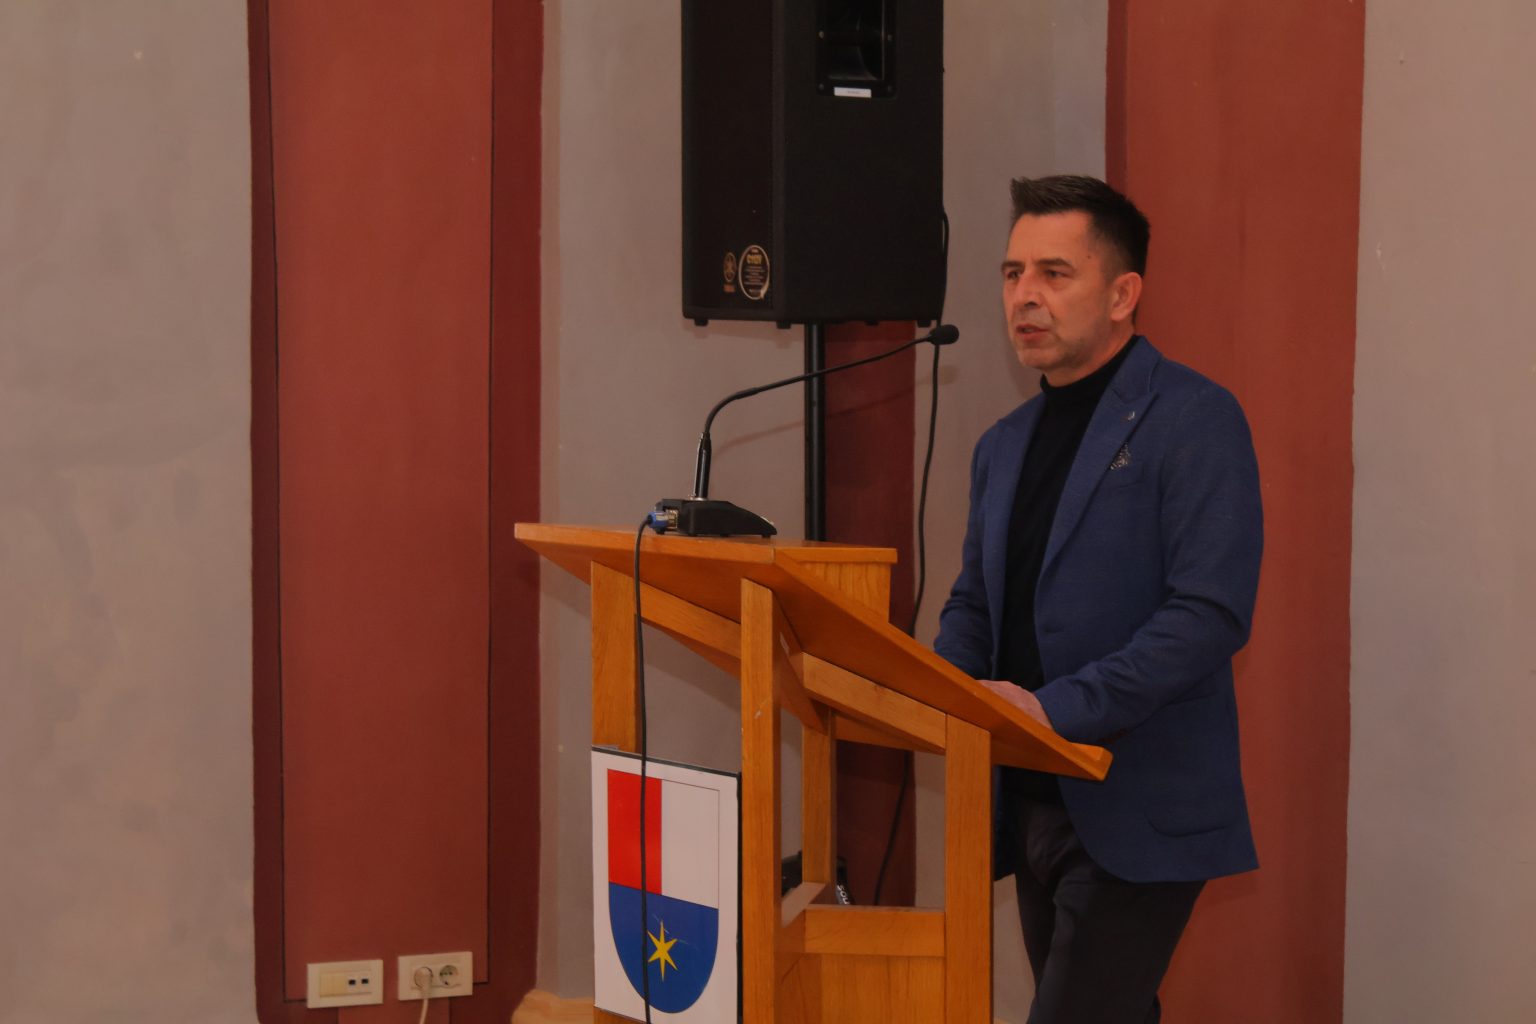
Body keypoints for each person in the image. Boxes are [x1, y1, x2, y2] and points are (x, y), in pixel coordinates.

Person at [933, 175, 1263, 1024]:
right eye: (1013, 274)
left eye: (1054, 273)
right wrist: (939, 688)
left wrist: (1053, 709)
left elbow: (1209, 613)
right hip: (1028, 800)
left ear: (1122, 295)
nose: (1025, 296)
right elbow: (976, 604)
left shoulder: (1194, 417)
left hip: (1136, 800)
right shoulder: (1002, 445)